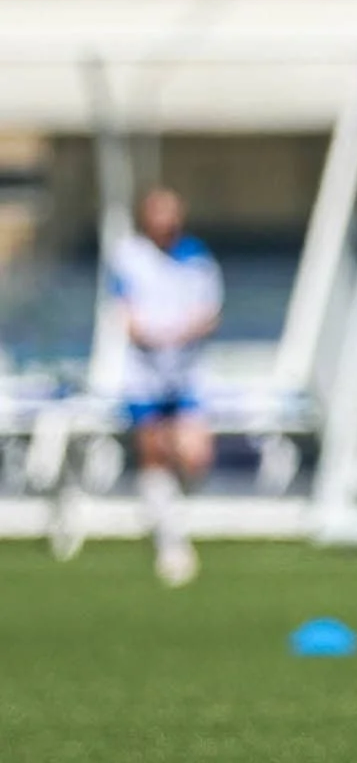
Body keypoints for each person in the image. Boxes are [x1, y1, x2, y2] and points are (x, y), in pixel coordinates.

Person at [107, 187, 221, 587]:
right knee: (153, 449)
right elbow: (128, 315)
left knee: (195, 457)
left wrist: (178, 334)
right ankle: (170, 541)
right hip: (144, 374)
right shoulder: (130, 256)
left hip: (186, 372)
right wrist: (153, 336)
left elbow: (208, 313)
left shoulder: (197, 259)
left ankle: (177, 520)